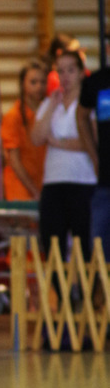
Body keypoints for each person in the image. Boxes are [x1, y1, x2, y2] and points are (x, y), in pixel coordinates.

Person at [30, 49, 97, 261]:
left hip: (83, 179)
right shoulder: (50, 103)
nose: (65, 76)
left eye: (70, 70)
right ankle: (58, 283)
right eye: (61, 71)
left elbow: (90, 142)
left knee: (85, 244)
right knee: (52, 244)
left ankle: (86, 282)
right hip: (53, 181)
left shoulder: (89, 103)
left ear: (81, 72)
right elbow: (36, 138)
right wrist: (52, 106)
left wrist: (57, 142)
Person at [0, 60, 47, 201]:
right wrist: (34, 191)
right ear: (22, 84)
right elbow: (14, 161)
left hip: (43, 184)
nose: (39, 86)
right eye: (33, 82)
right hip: (20, 188)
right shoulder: (13, 116)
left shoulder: (47, 112)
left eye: (43, 82)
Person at [77, 63, 110, 257]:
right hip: (105, 179)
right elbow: (81, 116)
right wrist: (94, 156)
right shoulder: (96, 81)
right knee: (100, 249)